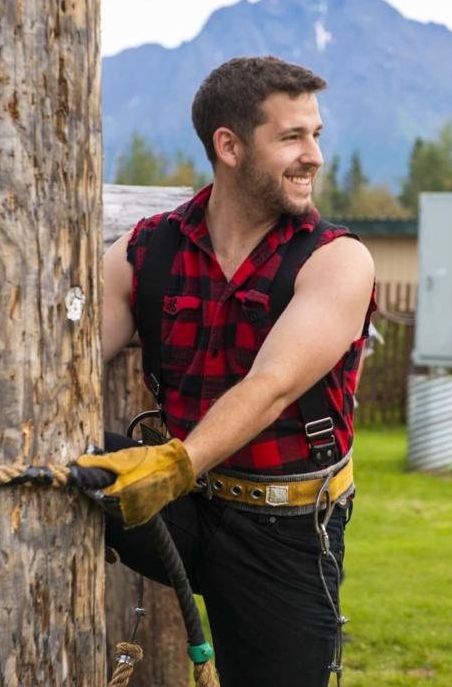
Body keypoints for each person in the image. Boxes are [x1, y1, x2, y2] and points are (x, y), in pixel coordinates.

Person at [76, 56, 376, 687]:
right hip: (185, 508)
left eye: (316, 135)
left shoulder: (337, 261)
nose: (314, 156)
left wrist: (175, 464)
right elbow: (65, 364)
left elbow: (272, 387)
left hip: (286, 531)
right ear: (229, 146)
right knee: (50, 463)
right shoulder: (147, 249)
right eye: (292, 137)